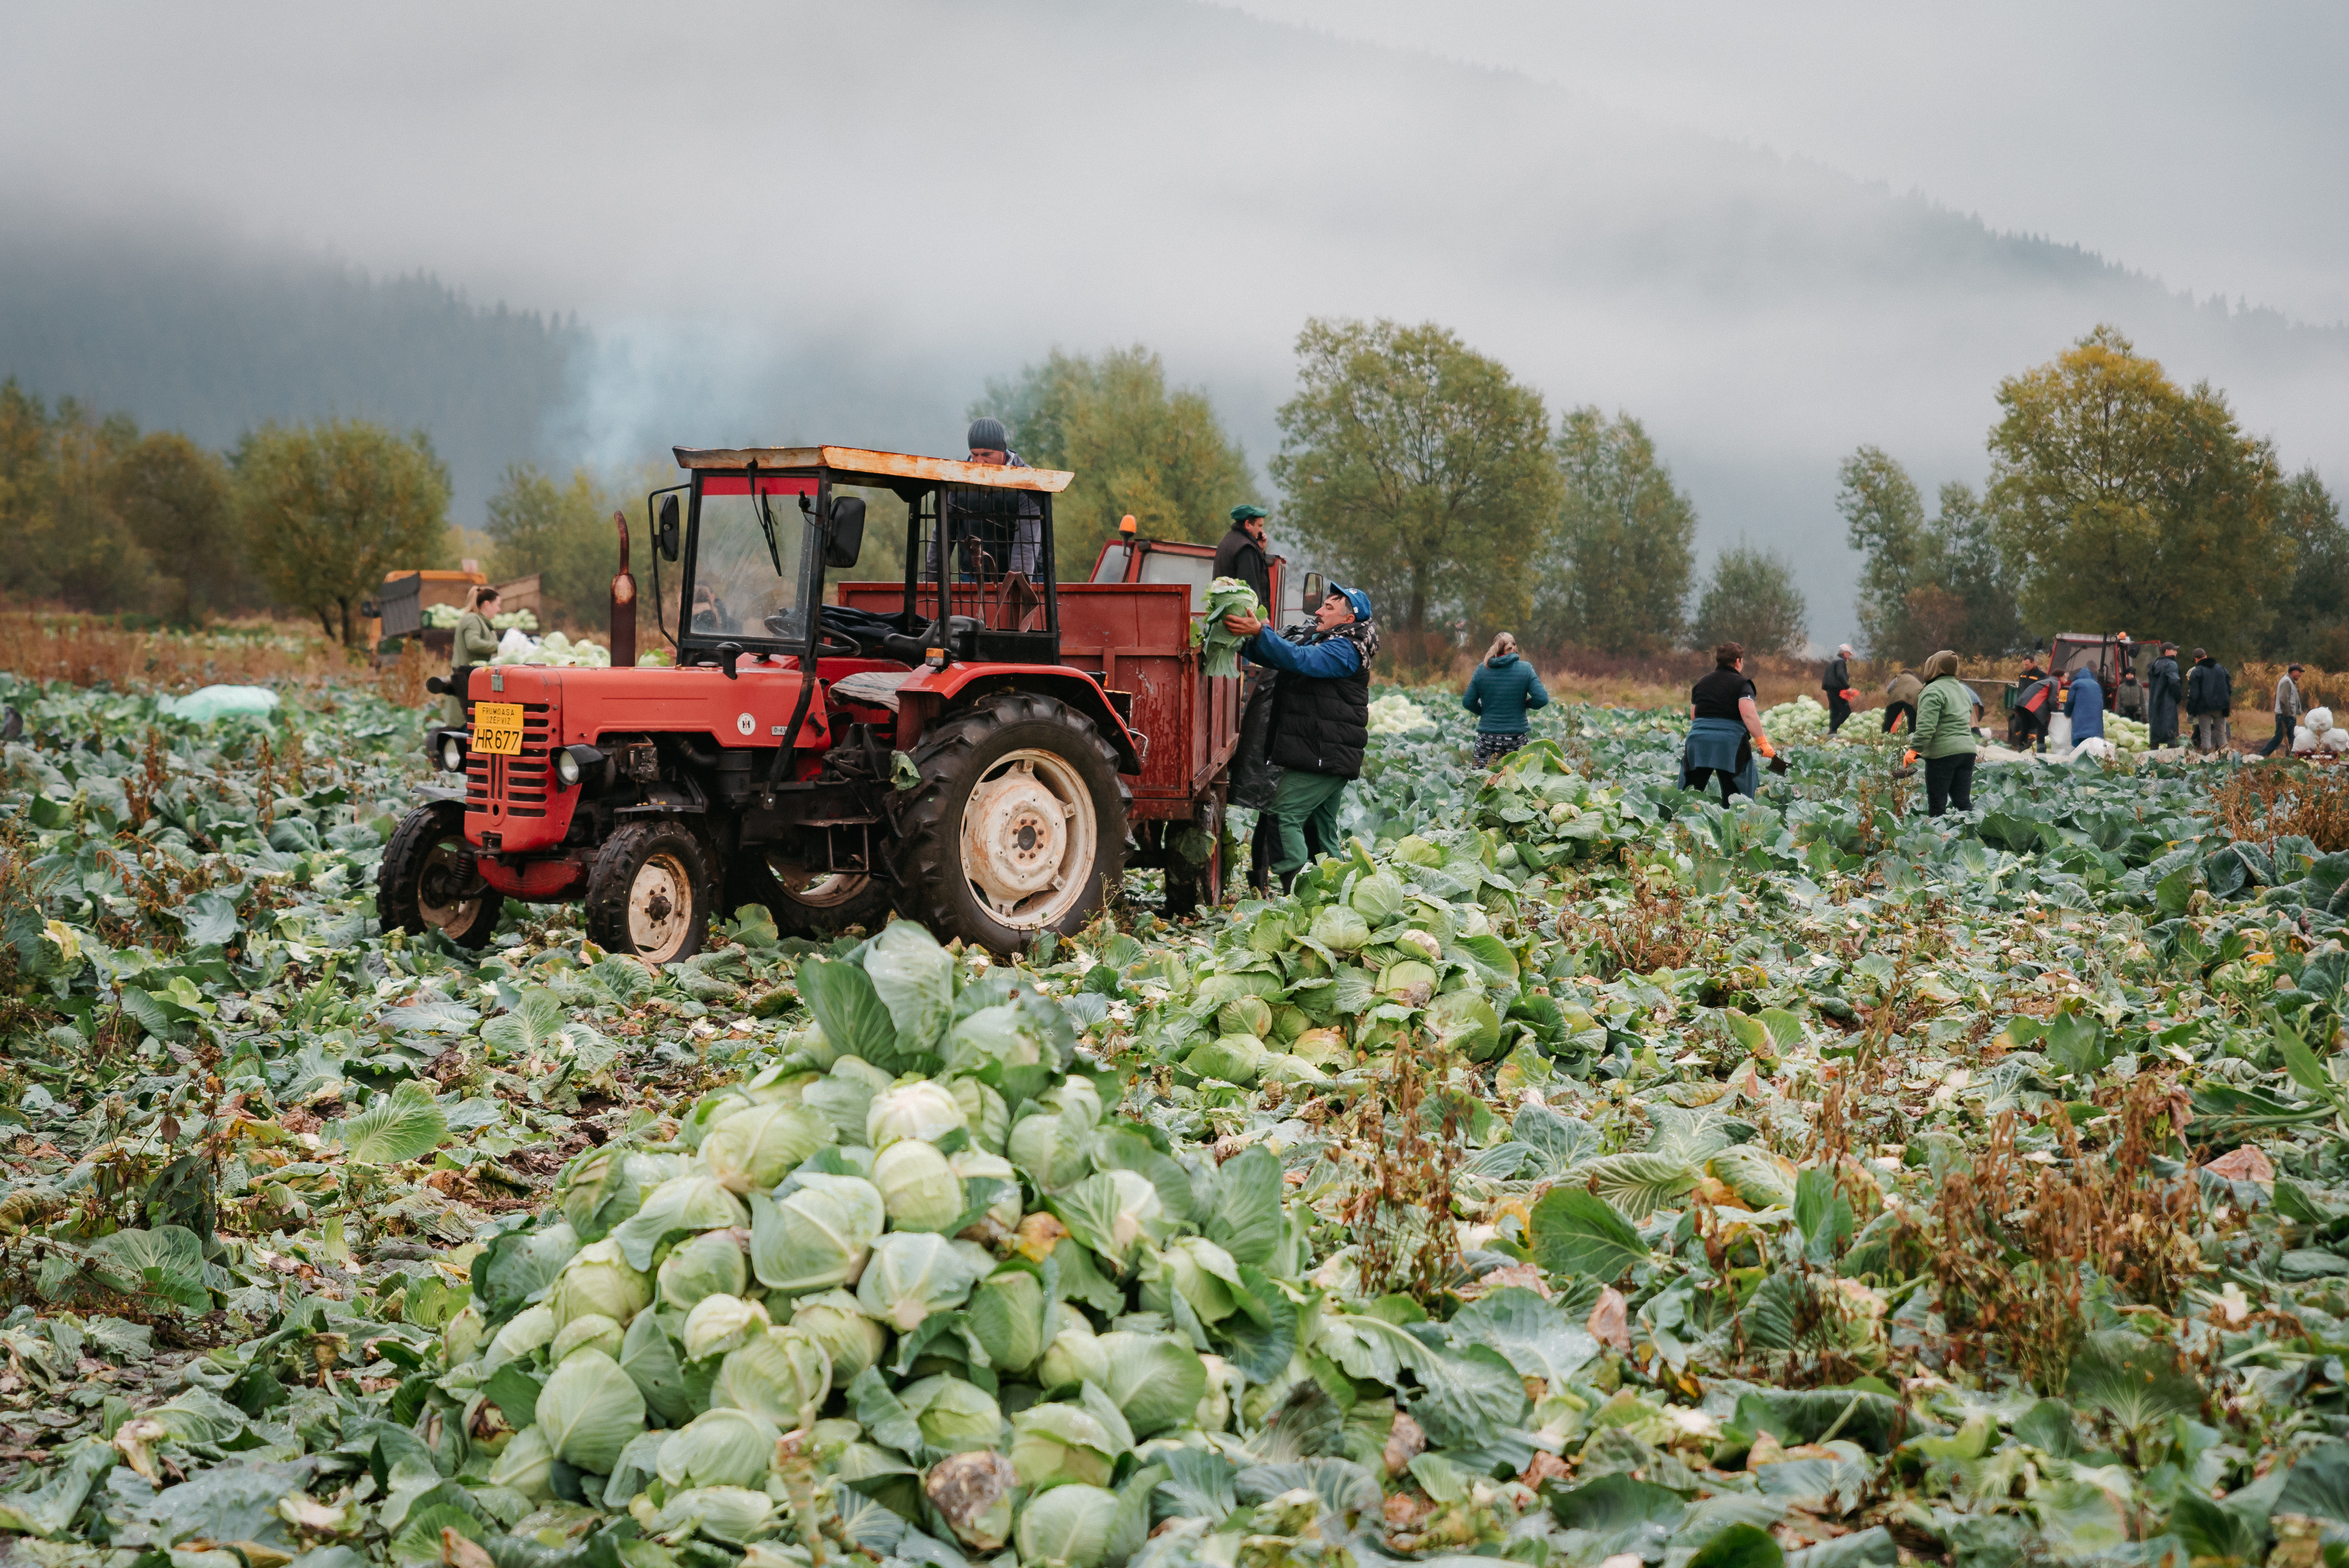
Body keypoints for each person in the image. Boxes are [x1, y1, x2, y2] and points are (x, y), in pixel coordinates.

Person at [1220, 583, 1378, 885]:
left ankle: (1297, 893)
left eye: (1329, 608)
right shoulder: (1332, 639)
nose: (1318, 611)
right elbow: (1285, 656)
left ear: (1348, 619)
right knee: (1321, 831)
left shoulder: (1345, 649)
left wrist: (1259, 633)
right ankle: (1336, 894)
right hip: (1326, 756)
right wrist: (1251, 638)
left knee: (1282, 816)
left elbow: (1300, 660)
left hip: (1323, 756)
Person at [1682, 642, 1778, 803]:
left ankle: (1680, 821)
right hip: (1729, 745)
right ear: (1738, 662)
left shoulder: (1702, 683)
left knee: (1689, 792)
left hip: (1698, 742)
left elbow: (1694, 716)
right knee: (1737, 798)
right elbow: (1748, 715)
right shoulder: (1743, 684)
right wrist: (1762, 743)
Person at [949, 417, 1042, 580]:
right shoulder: (959, 480)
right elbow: (942, 535)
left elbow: (1027, 544)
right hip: (974, 575)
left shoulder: (1028, 481)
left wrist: (1017, 586)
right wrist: (931, 582)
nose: (980, 462)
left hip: (1028, 574)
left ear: (1003, 450)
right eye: (974, 455)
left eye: (987, 455)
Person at [1461, 632, 1550, 766]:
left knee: (1482, 781)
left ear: (1495, 647)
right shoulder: (1526, 669)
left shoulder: (1482, 669)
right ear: (1515, 647)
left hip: (1487, 739)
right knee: (1516, 783)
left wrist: (1485, 712)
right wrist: (1525, 704)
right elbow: (1542, 699)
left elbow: (1468, 702)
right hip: (1516, 740)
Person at [1909, 649, 1979, 815]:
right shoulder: (1962, 690)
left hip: (1943, 755)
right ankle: (1971, 836)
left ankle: (1938, 836)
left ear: (1933, 667)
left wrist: (1914, 749)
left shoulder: (1933, 690)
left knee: (1938, 805)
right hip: (1967, 752)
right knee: (1963, 803)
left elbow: (1926, 727)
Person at [446, 585, 501, 726]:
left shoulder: (484, 623)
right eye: (498, 605)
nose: (499, 610)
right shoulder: (472, 620)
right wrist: (500, 647)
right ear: (487, 604)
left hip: (473, 679)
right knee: (465, 726)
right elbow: (473, 643)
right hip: (464, 680)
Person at [1213, 505, 1273, 608]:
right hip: (1241, 619)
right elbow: (1250, 592)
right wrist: (1262, 619)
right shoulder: (1247, 549)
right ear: (1248, 524)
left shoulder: (1227, 540)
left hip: (1224, 611)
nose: (1262, 531)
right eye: (1260, 526)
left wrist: (1260, 550)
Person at [2185, 647, 2233, 753]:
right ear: (2206, 656)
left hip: (2204, 709)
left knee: (2205, 734)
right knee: (2221, 734)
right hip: (2221, 708)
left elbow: (2194, 694)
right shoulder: (2222, 669)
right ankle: (2225, 758)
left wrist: (2191, 710)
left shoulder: (2197, 671)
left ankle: (2206, 760)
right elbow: (2229, 689)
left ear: (2196, 659)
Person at [2010, 663, 2055, 752]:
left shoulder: (2041, 675)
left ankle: (2021, 749)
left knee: (2026, 727)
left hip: (2025, 704)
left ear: (2033, 663)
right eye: (2024, 664)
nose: (2025, 667)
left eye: (2027, 664)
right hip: (2032, 706)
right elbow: (2053, 699)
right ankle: (2040, 750)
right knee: (2041, 726)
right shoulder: (2023, 674)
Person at [2264, 662, 2306, 756]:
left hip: (2290, 716)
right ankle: (2262, 755)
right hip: (2285, 716)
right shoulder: (2287, 682)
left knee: (2292, 738)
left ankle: (2292, 756)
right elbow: (2283, 699)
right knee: (2278, 738)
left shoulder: (2290, 682)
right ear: (2294, 672)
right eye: (2300, 672)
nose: (2301, 675)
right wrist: (2287, 714)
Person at [2147, 644, 2182, 747]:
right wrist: (2178, 697)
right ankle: (2172, 756)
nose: (2176, 652)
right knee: (2171, 731)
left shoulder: (2155, 664)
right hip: (2169, 702)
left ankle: (2153, 755)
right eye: (2174, 650)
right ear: (2167, 652)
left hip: (2155, 701)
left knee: (2155, 731)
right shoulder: (2171, 664)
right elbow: (2175, 682)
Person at [2066, 662, 2104, 746]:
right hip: (2096, 716)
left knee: (2081, 737)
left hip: (2081, 715)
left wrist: (2067, 713)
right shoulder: (2096, 684)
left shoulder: (2076, 684)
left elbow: (2070, 701)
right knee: (2094, 739)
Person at [1823, 643, 1856, 735]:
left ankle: (1833, 733)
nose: (1849, 656)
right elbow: (1840, 675)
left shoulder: (1833, 661)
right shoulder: (1841, 662)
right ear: (1844, 653)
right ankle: (1833, 729)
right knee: (1846, 712)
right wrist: (1847, 687)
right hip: (1838, 691)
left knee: (1835, 712)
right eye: (1848, 654)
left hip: (1830, 690)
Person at [1882, 667, 1922, 734]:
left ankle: (1884, 736)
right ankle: (1911, 738)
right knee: (1913, 722)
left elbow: (1888, 689)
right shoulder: (1917, 680)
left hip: (1897, 697)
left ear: (1902, 674)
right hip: (1913, 699)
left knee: (1889, 720)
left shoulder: (1898, 678)